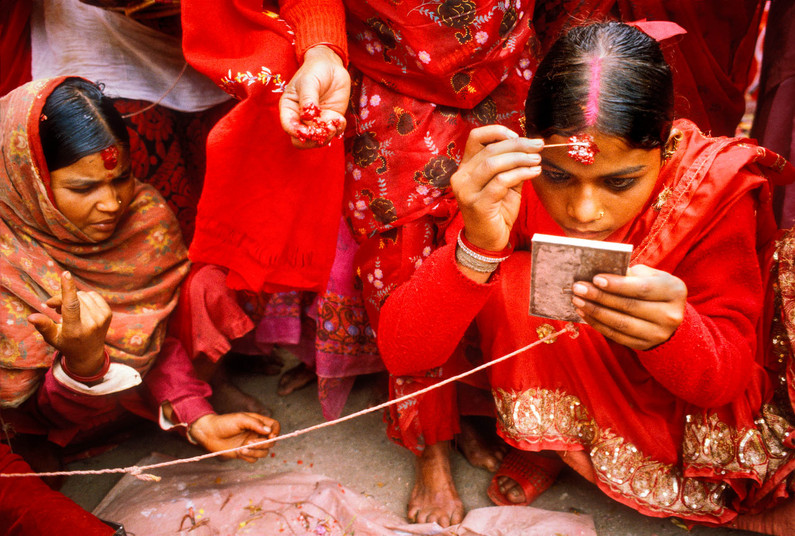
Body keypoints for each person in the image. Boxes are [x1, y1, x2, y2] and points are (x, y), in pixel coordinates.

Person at [378, 21, 795, 535]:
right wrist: (477, 248)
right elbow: (405, 353)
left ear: (663, 153)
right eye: (559, 176)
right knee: (506, 279)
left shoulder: (713, 190)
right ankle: (561, 445)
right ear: (533, 147)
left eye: (620, 182)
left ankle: (588, 449)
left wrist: (676, 334)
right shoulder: (512, 180)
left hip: (674, 402)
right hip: (572, 362)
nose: (584, 209)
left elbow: (725, 379)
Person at [0, 77, 278, 467]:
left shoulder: (143, 218)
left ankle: (207, 387)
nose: (112, 203)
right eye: (83, 189)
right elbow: (34, 413)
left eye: (121, 178)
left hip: (141, 389)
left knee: (210, 283)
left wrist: (196, 417)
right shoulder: (7, 261)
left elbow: (155, 338)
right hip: (56, 422)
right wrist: (83, 361)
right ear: (27, 182)